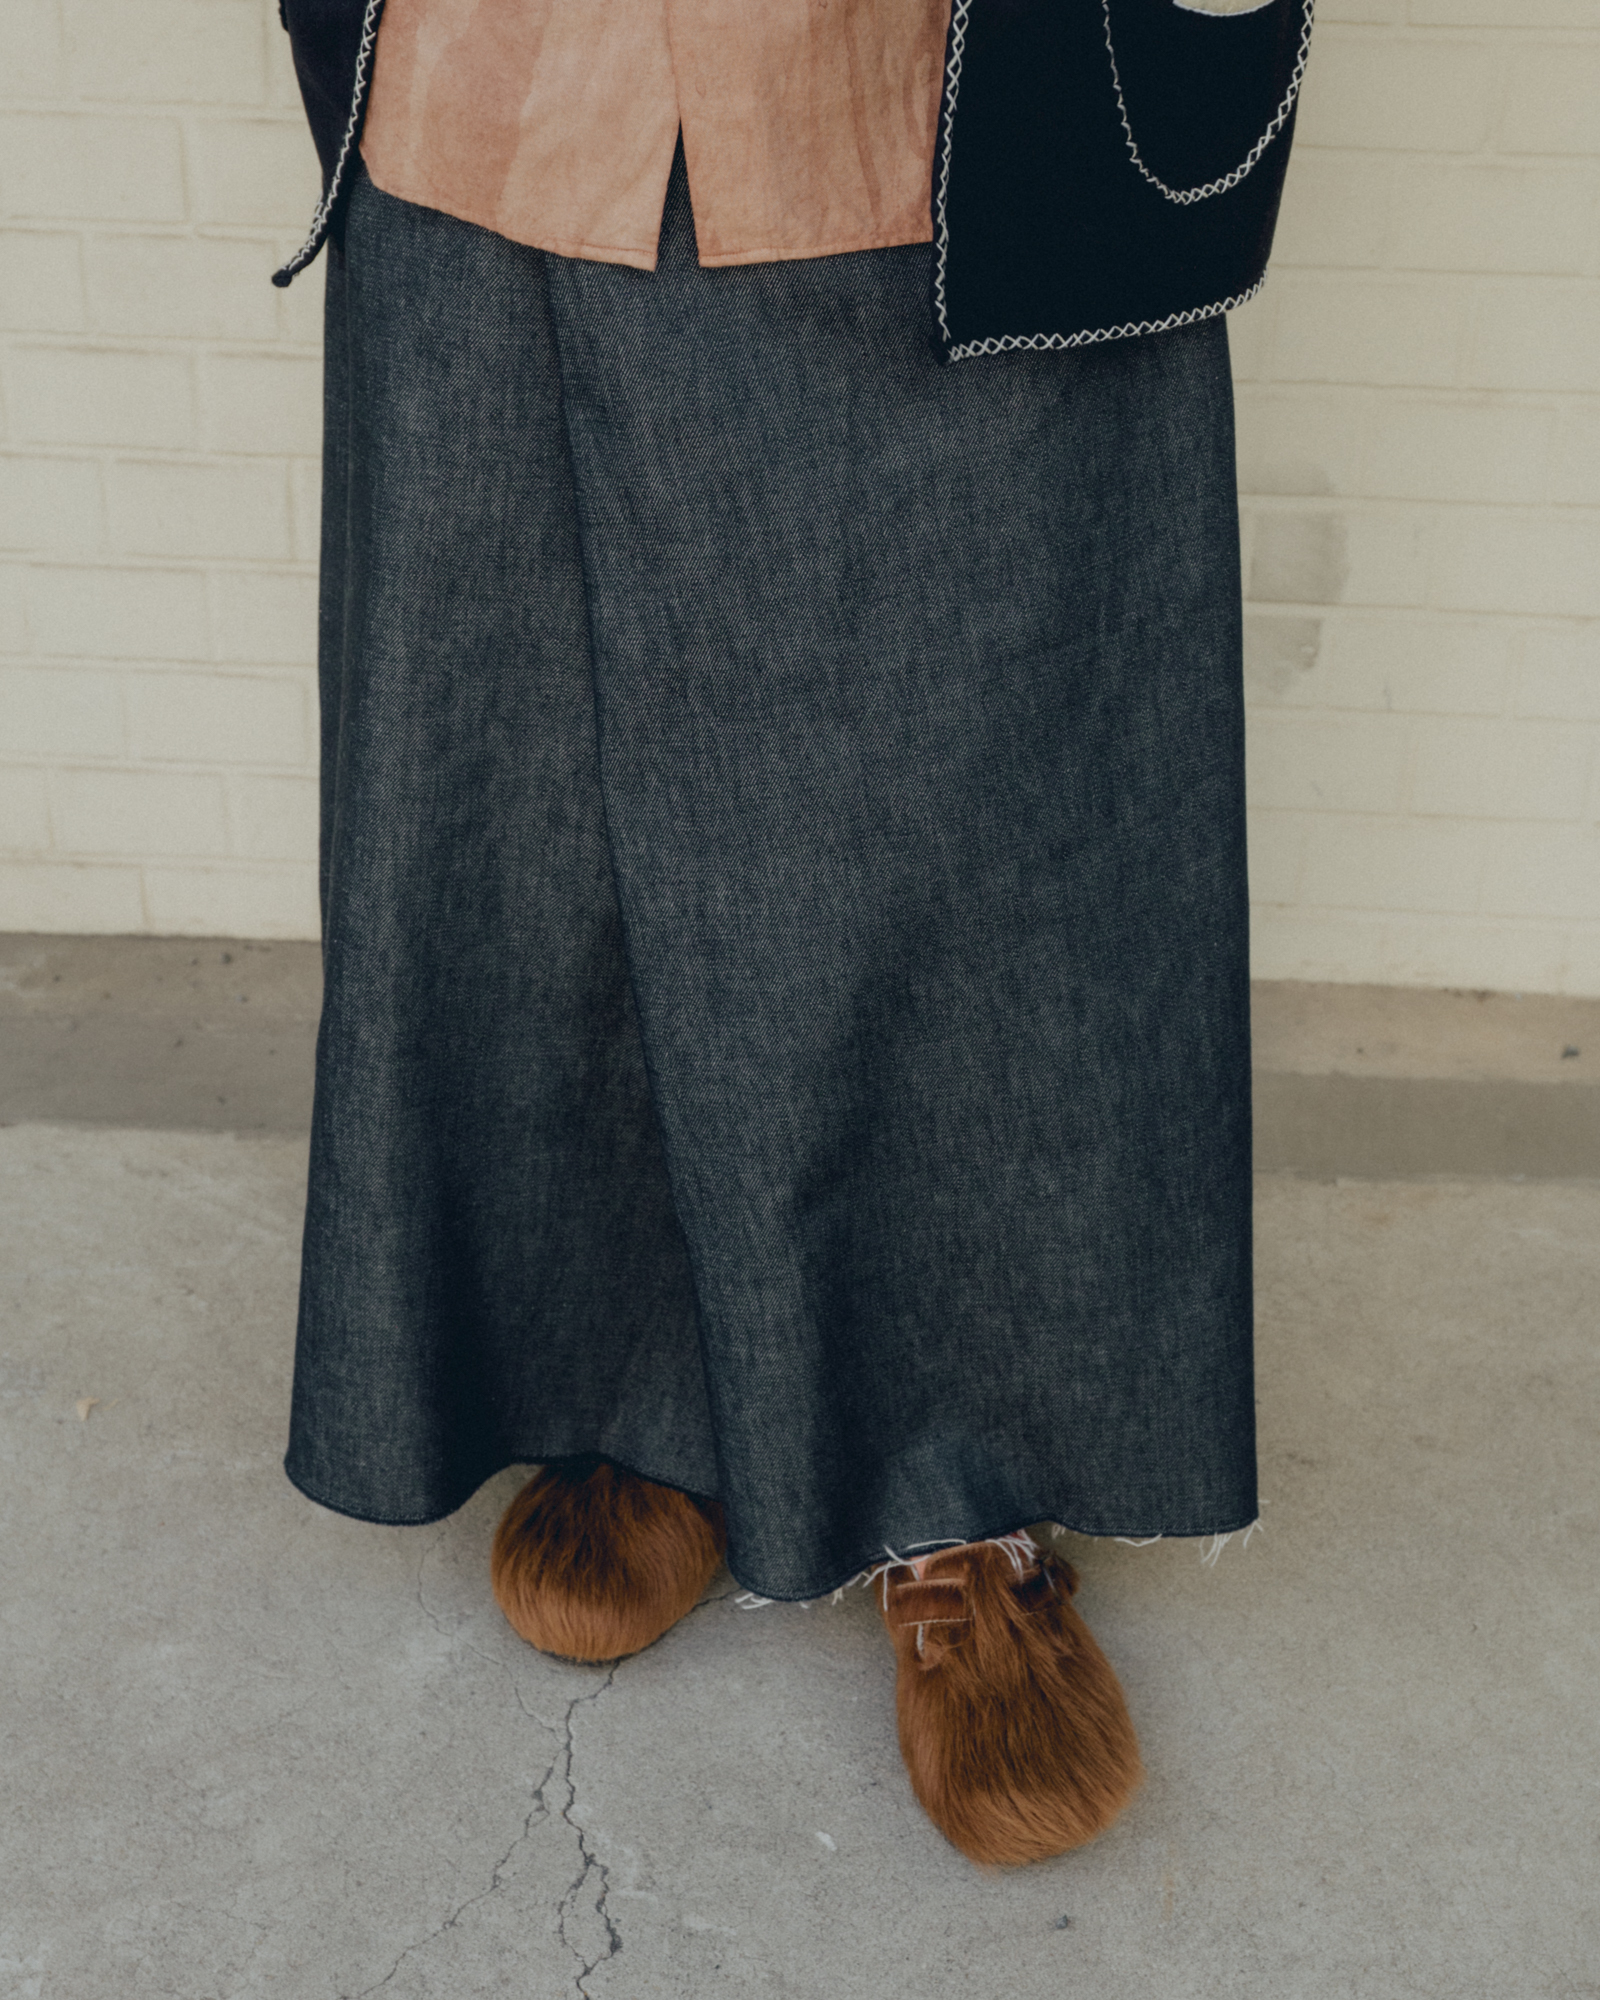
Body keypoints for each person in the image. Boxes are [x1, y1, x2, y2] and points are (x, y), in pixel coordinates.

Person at [273, 0, 1309, 1867]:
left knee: (978, 807)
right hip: (500, 67)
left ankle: (964, 1485)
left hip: (929, 94)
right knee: (526, 773)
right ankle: (639, 1387)